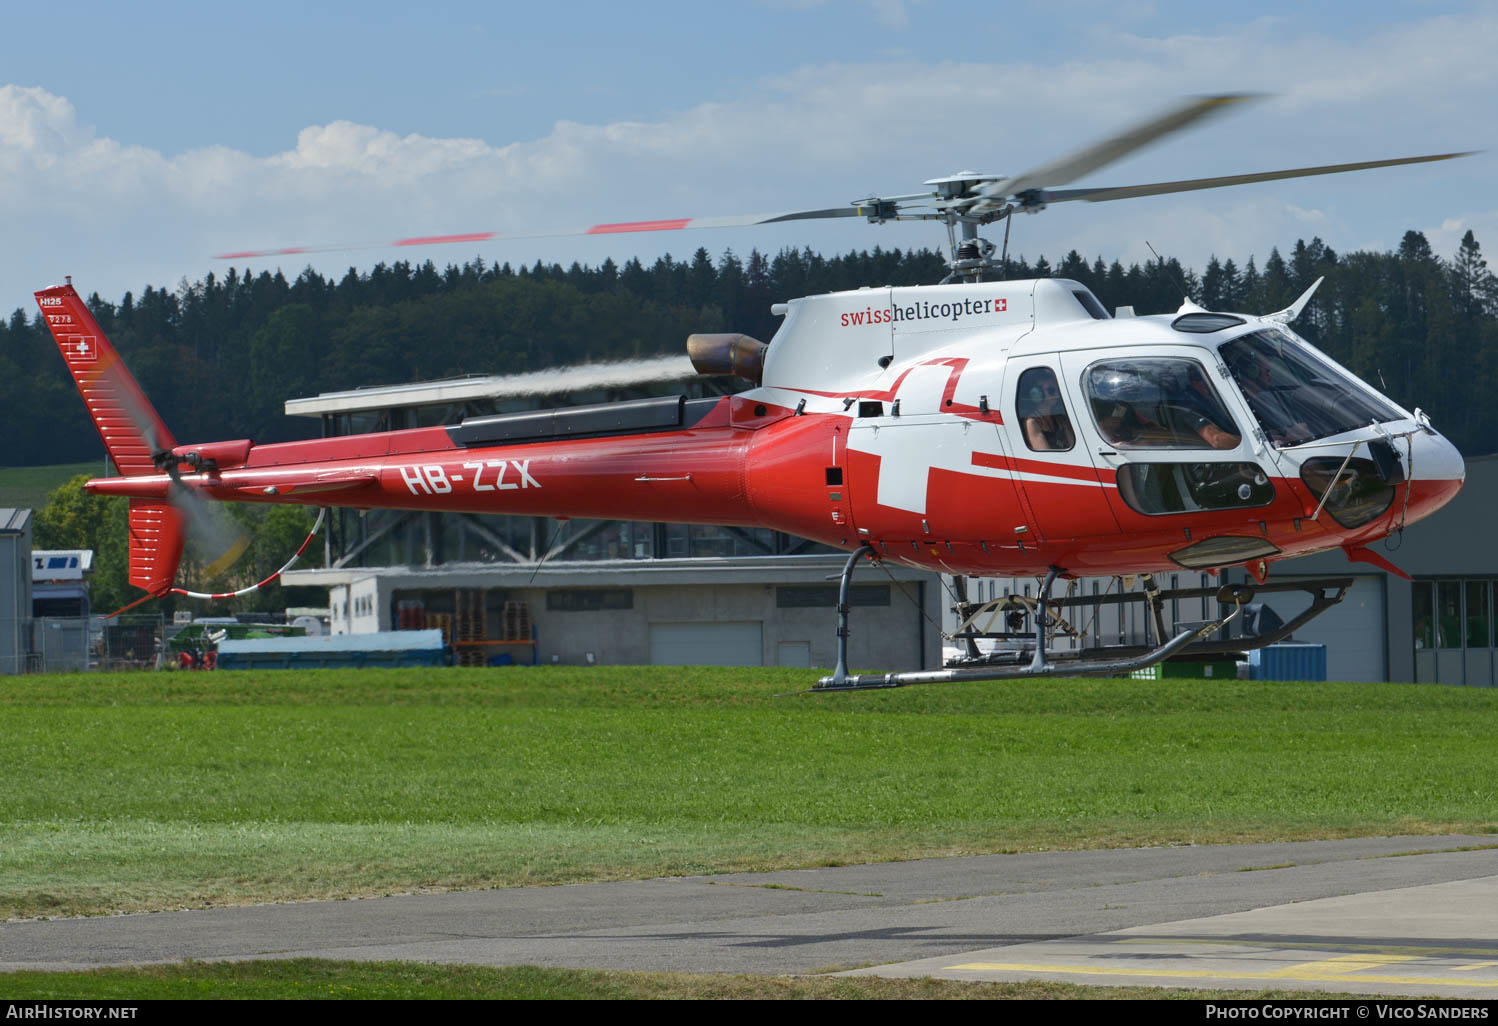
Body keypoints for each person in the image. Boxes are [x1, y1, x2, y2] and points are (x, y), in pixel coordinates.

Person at [1018, 369, 1075, 451]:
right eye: (1051, 390)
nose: (1056, 394)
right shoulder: (1032, 423)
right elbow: (1046, 456)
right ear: (1037, 394)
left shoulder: (1060, 419)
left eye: (1056, 390)